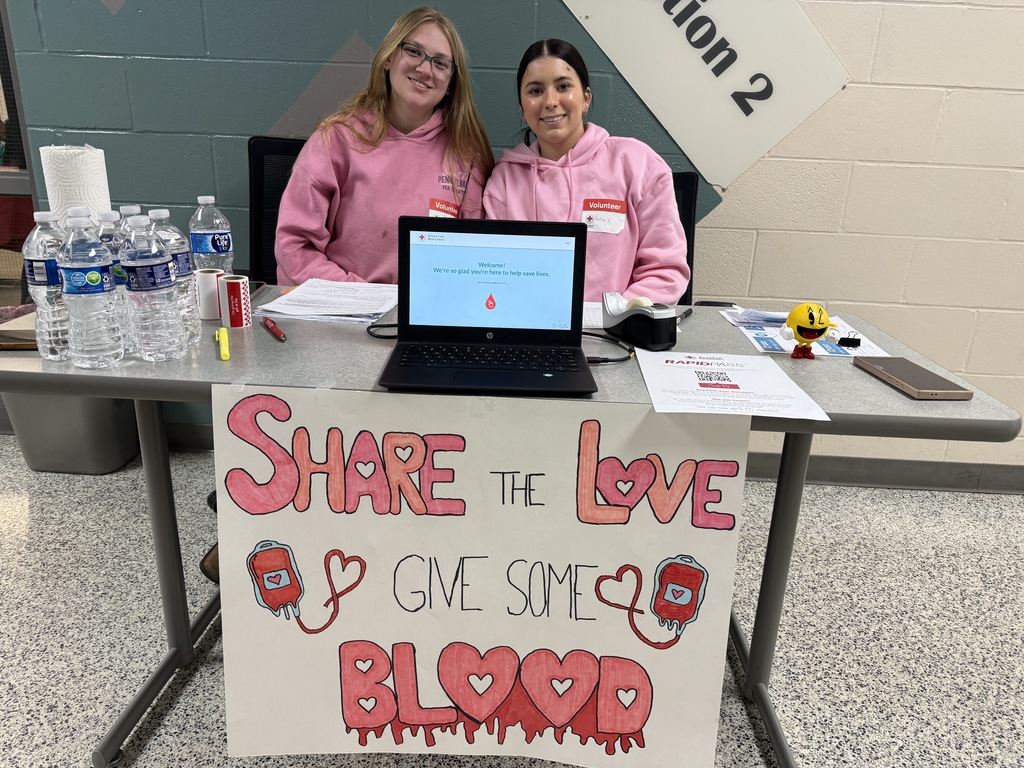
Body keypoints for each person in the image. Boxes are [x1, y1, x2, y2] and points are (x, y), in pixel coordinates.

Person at [275, 6, 494, 286]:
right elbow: (295, 247)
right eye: (414, 51)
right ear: (389, 57)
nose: (425, 69)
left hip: (427, 313)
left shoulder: (467, 154)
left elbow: (475, 258)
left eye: (441, 63)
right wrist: (362, 298)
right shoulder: (336, 138)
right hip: (344, 310)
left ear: (451, 84)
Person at [483, 39, 690, 305]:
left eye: (563, 86)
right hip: (532, 332)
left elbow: (665, 269)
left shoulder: (638, 164)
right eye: (535, 91)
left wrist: (615, 318)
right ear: (523, 109)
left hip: (616, 334)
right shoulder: (504, 182)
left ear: (586, 99)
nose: (550, 101)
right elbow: (494, 273)